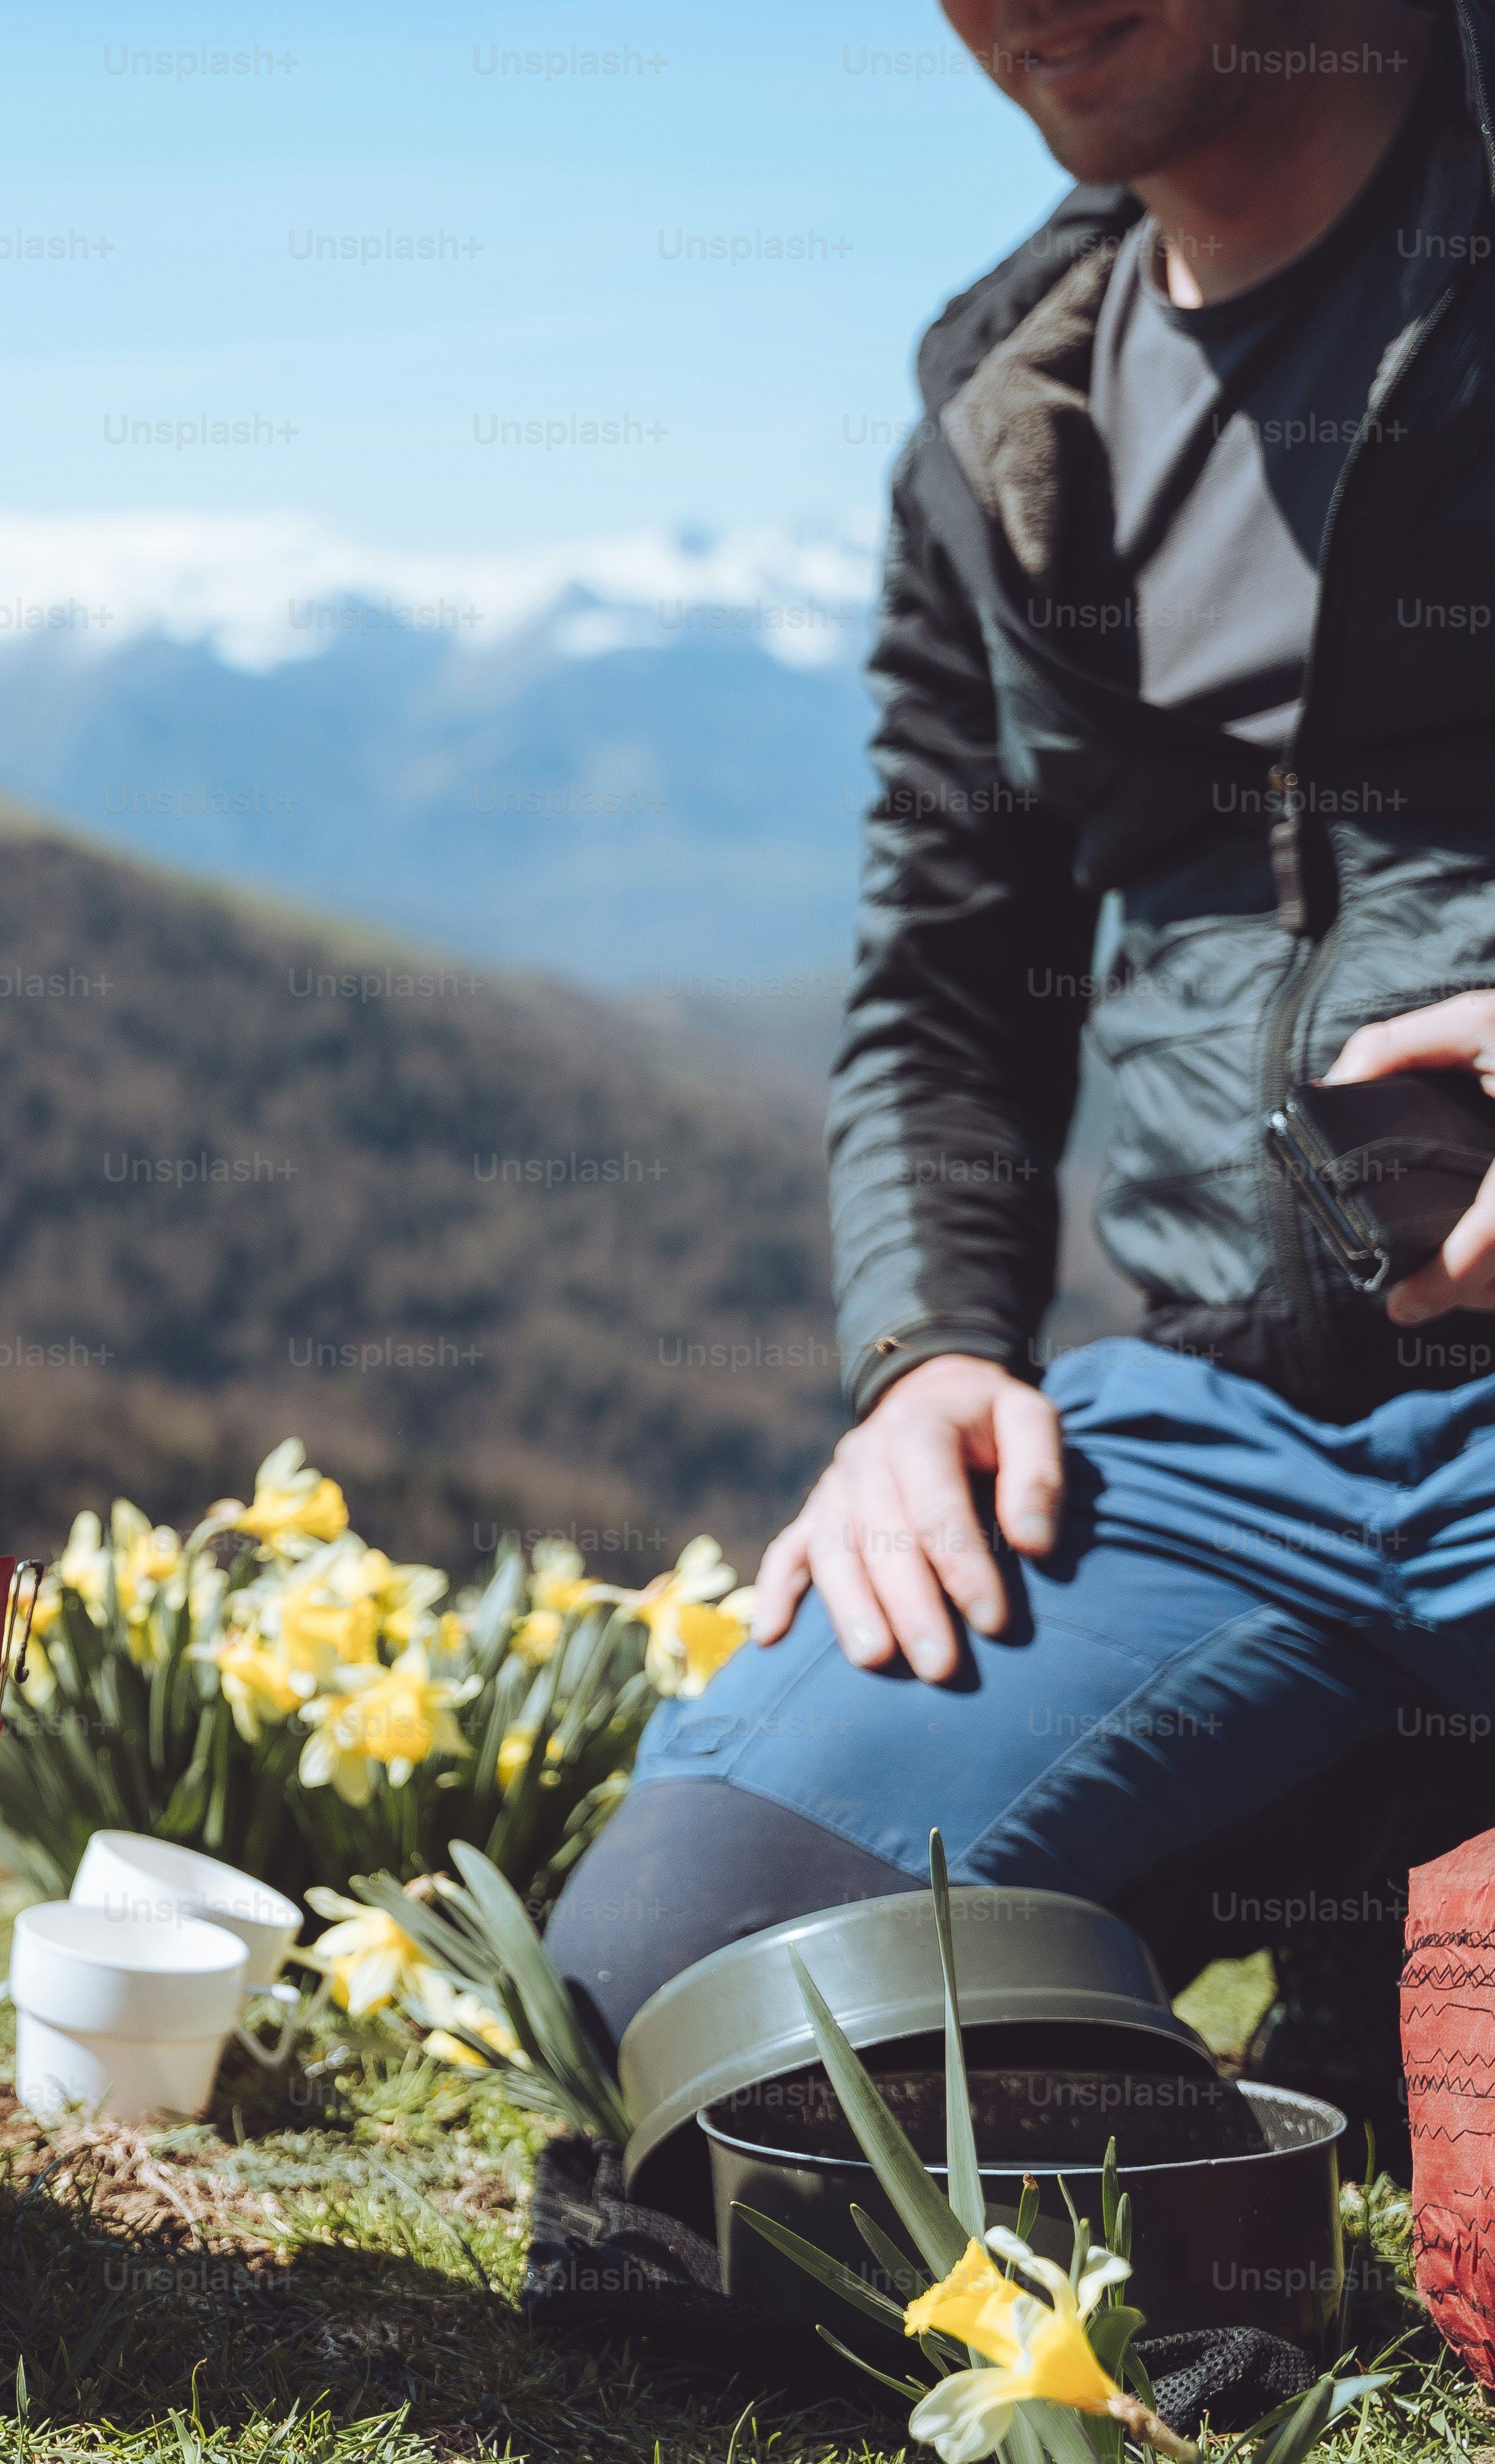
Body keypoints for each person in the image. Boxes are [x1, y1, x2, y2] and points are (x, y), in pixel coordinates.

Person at [544, 0, 1495, 2138]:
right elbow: (952, 980)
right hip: (1232, 1423)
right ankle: (1345, 1862)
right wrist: (933, 1358)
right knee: (689, 2004)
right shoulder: (1005, 411)